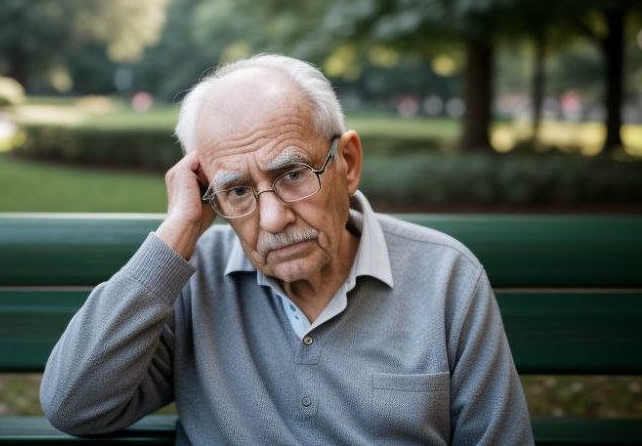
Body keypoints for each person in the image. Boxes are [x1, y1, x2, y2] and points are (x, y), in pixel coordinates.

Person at [40, 54, 534, 445]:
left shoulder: (447, 278)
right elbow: (72, 403)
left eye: (293, 174)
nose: (273, 217)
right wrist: (179, 231)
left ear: (348, 162)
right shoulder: (194, 279)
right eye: (236, 191)